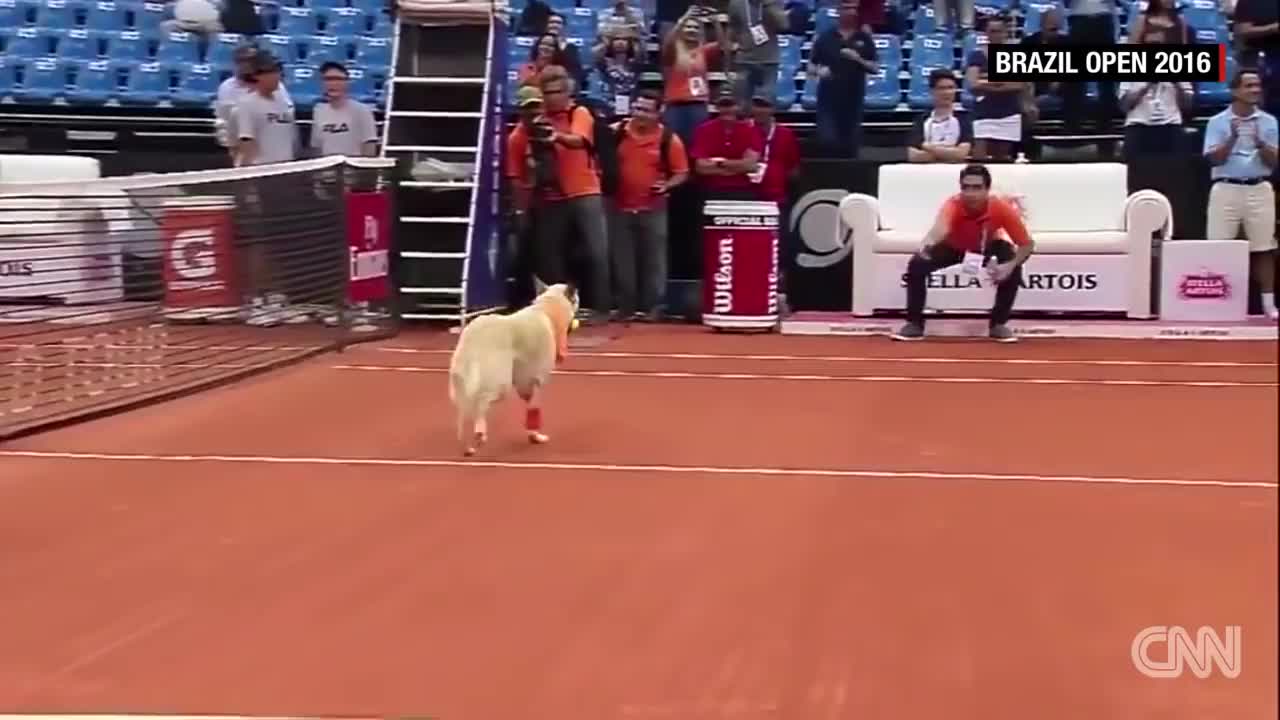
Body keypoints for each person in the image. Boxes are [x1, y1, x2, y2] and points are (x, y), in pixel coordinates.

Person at [504, 65, 611, 324]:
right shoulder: (527, 128)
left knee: (597, 251)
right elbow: (516, 175)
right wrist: (521, 208)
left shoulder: (579, 112)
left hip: (585, 191)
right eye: (548, 93)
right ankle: (559, 309)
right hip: (553, 198)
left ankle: (601, 309)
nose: (553, 98)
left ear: (567, 92)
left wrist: (556, 137)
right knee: (552, 257)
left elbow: (579, 140)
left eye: (557, 92)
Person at [891, 164, 1036, 343]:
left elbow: (1027, 244)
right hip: (953, 247)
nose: (970, 193)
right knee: (917, 264)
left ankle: (998, 324)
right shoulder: (953, 204)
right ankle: (914, 324)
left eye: (977, 188)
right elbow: (940, 228)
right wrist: (927, 243)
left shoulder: (1000, 208)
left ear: (987, 190)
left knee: (1013, 264)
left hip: (988, 246)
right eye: (965, 188)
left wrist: (1010, 266)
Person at [1202, 69, 1279, 320]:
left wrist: (1259, 142)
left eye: (1257, 85)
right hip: (1226, 187)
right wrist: (1233, 138)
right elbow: (1214, 159)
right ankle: (1217, 302)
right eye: (1248, 86)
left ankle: (1269, 305)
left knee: (1264, 248)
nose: (1255, 90)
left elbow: (1273, 162)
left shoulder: (1269, 122)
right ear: (1235, 91)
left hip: (1259, 187)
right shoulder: (1216, 122)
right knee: (1218, 248)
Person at [610, 90, 690, 321]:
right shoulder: (617, 133)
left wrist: (667, 185)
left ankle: (653, 309)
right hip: (619, 207)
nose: (639, 114)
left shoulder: (669, 139)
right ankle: (625, 308)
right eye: (637, 109)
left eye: (645, 110)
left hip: (653, 209)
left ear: (658, 113)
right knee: (622, 262)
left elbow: (682, 172)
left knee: (654, 262)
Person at [808, 0, 878, 158]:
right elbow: (810, 67)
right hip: (828, 96)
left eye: (854, 9)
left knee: (851, 142)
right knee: (828, 139)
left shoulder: (864, 37)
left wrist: (858, 59)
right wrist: (819, 71)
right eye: (847, 8)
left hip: (854, 96)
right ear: (839, 11)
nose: (851, 12)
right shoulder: (825, 37)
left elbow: (874, 68)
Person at [213, 43, 292, 167]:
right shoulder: (228, 89)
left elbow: (287, 117)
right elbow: (229, 128)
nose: (246, 65)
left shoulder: (278, 89)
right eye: (242, 61)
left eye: (249, 60)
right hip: (252, 160)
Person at [964, 15, 1031, 161]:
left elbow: (1018, 85)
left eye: (999, 31)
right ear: (986, 33)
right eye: (992, 31)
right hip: (984, 113)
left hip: (1009, 113)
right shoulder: (977, 55)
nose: (995, 35)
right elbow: (973, 84)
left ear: (1005, 33)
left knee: (1002, 159)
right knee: (979, 156)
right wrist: (1001, 83)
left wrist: (987, 83)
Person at [689, 92, 764, 200]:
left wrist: (718, 162)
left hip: (743, 190)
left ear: (738, 107)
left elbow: (751, 166)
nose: (727, 109)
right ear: (717, 107)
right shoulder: (704, 130)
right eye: (723, 105)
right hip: (711, 191)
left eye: (730, 105)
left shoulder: (751, 130)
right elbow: (701, 168)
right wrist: (737, 167)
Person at [726, 0, 789, 108]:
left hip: (769, 60)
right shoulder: (736, 3)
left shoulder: (774, 2)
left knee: (765, 103)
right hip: (745, 60)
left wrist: (769, 5)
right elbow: (733, 27)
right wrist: (730, 52)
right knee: (742, 105)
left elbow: (784, 25)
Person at [309, 61, 379, 158]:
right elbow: (316, 147)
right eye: (328, 79)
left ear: (347, 82)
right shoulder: (319, 111)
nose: (333, 84)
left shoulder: (362, 111)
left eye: (338, 79)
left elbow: (369, 147)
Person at [906, 68, 972, 163]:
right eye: (942, 88)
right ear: (932, 91)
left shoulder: (964, 119)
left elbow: (960, 154)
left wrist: (928, 147)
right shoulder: (922, 119)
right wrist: (948, 153)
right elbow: (913, 155)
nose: (947, 92)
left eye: (950, 88)